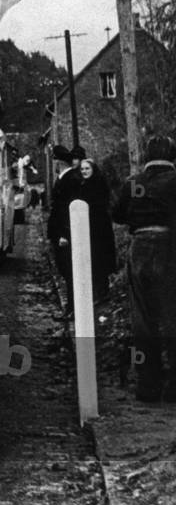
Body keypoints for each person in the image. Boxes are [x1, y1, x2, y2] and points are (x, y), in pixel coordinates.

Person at [112, 136, 176, 401]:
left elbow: (116, 213)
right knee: (172, 315)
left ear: (147, 156)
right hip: (169, 248)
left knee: (143, 319)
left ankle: (148, 386)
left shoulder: (134, 182)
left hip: (139, 247)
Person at [47, 144, 86, 315]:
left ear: (59, 162)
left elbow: (68, 209)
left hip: (65, 235)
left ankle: (72, 308)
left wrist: (65, 233)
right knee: (65, 270)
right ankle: (71, 308)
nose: (53, 164)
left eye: (54, 160)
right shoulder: (65, 178)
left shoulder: (71, 180)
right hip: (60, 233)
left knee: (69, 271)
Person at [74, 158, 118, 302]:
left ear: (93, 169)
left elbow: (101, 203)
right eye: (82, 169)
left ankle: (102, 292)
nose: (84, 171)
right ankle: (95, 291)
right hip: (87, 226)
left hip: (99, 227)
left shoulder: (99, 183)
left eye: (87, 169)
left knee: (99, 258)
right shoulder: (83, 184)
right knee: (90, 258)